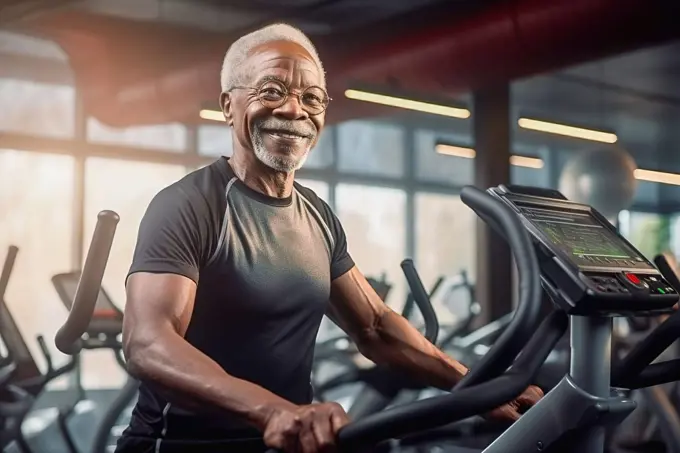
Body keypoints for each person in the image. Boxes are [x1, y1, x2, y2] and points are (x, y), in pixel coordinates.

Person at [117, 23, 543, 453]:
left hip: (287, 444)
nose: (293, 110)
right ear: (229, 104)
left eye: (311, 98)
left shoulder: (316, 214)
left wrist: (478, 387)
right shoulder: (190, 204)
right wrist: (273, 411)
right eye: (271, 91)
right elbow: (148, 342)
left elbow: (375, 326)